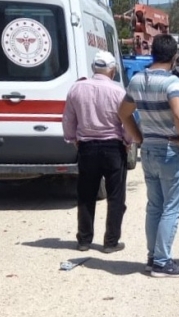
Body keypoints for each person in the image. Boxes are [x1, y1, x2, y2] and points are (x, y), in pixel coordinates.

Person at [118, 34, 179, 278]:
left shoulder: (137, 79)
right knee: (172, 208)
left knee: (155, 206)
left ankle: (152, 256)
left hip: (149, 147)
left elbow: (123, 113)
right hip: (170, 148)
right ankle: (162, 262)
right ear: (173, 57)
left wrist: (138, 137)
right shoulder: (172, 83)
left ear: (152, 53)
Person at [62, 50, 129, 253]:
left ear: (93, 69)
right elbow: (126, 122)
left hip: (87, 147)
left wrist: (72, 138)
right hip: (113, 148)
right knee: (116, 196)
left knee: (85, 194)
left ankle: (84, 240)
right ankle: (110, 241)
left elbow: (68, 119)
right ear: (112, 70)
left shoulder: (77, 88)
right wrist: (128, 141)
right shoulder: (119, 92)